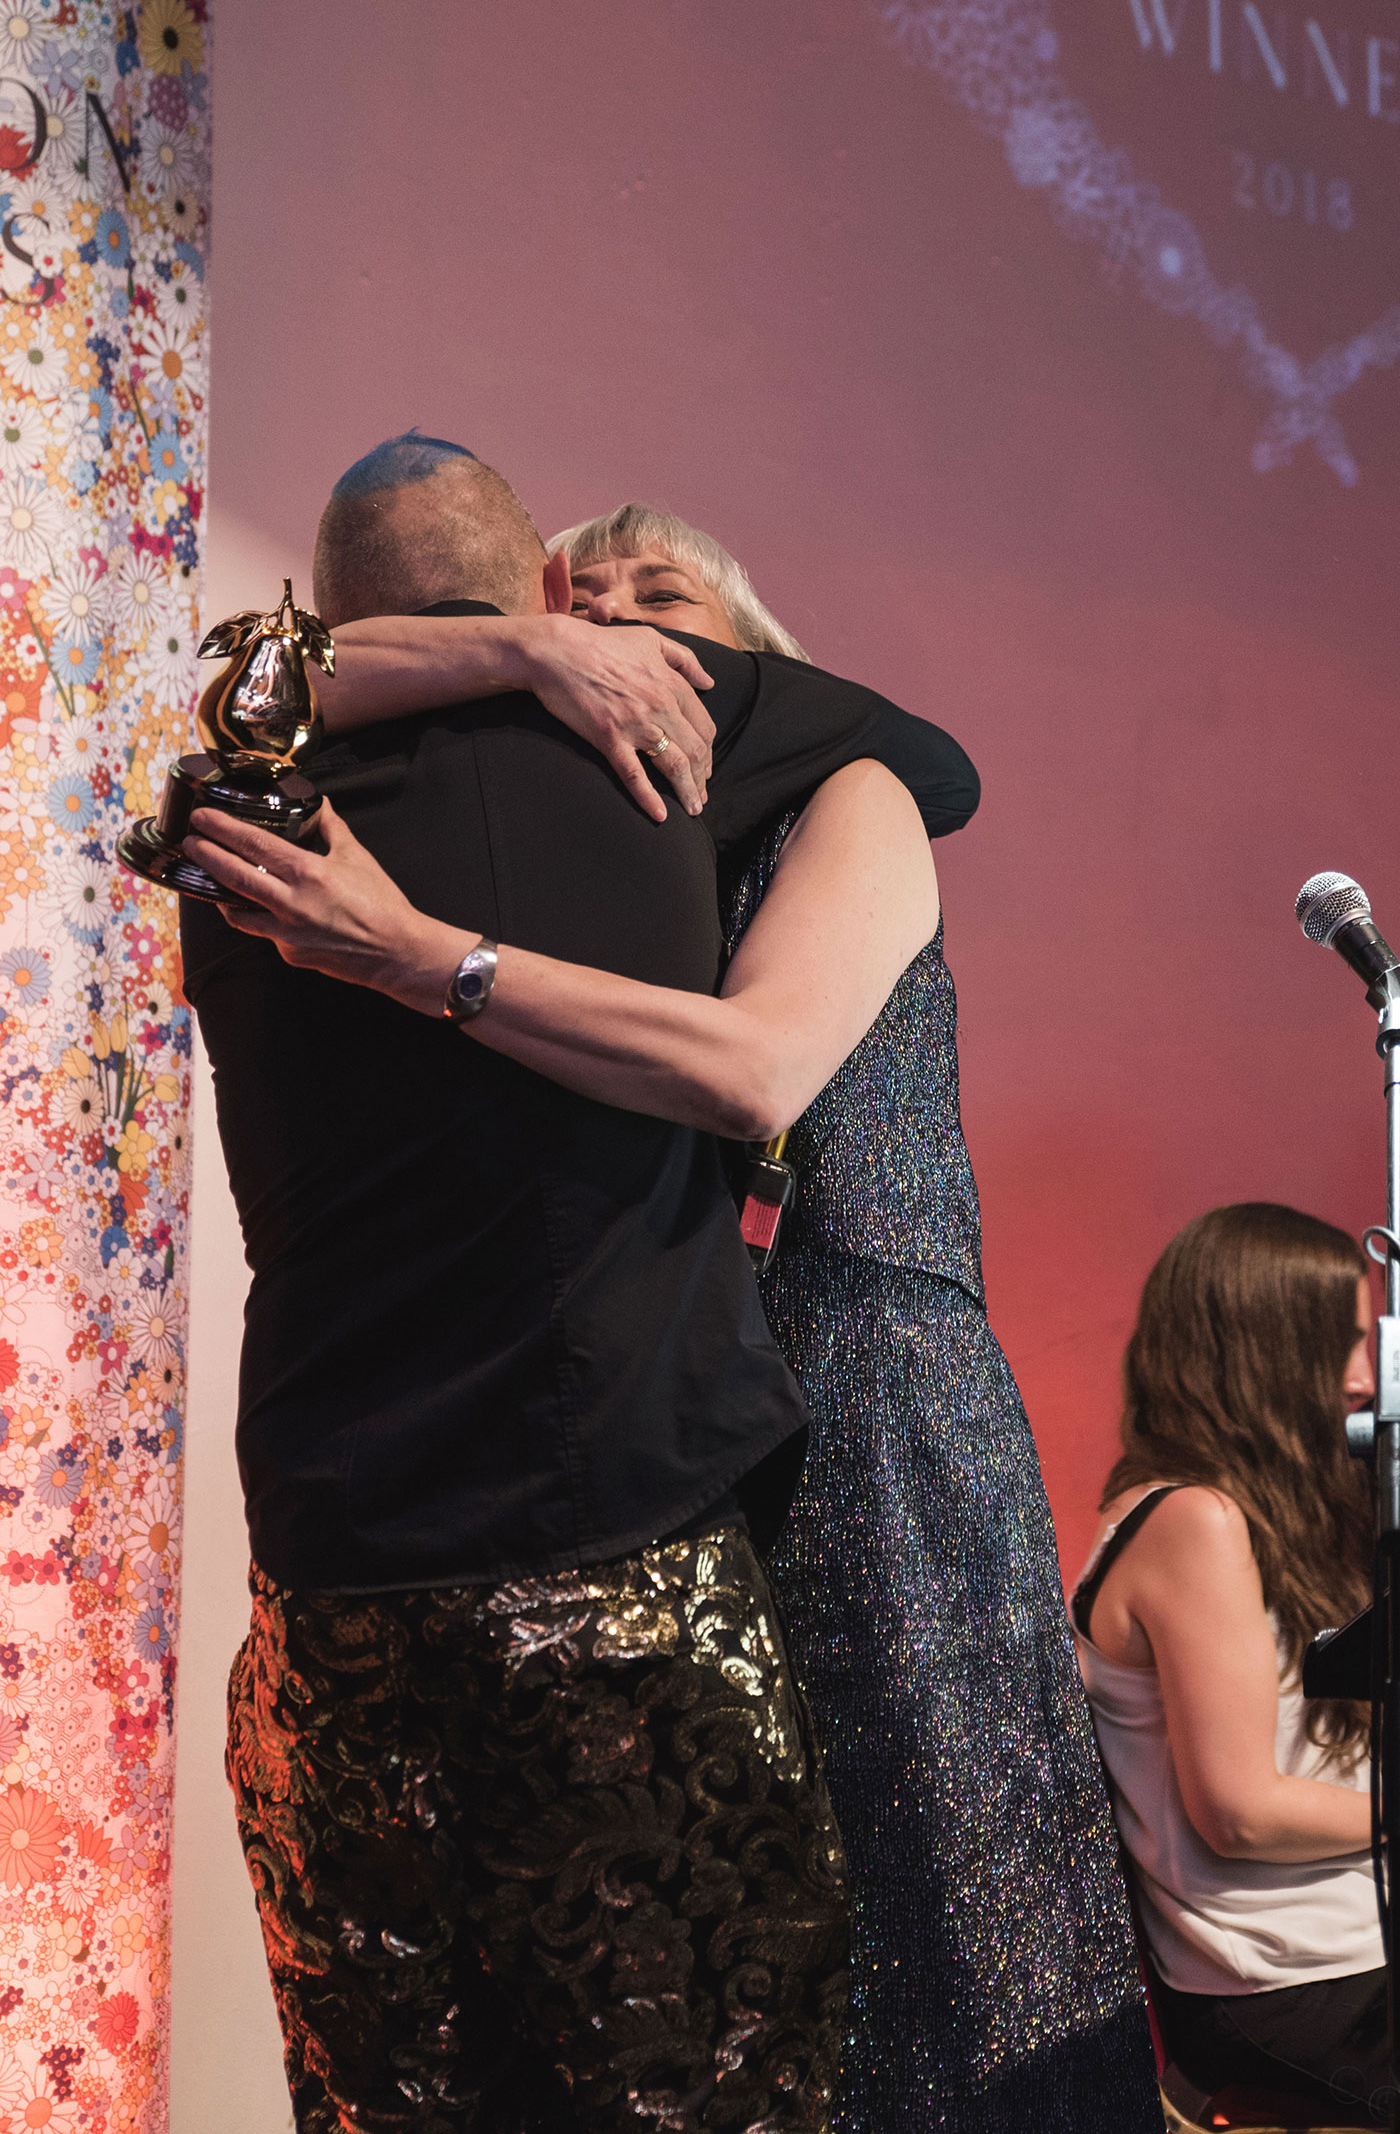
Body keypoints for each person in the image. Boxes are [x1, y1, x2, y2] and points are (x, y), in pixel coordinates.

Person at [190, 498, 1162, 2131]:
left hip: (872, 1403)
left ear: (751, 645)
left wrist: (415, 953)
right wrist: (520, 645)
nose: (618, 616)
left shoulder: (852, 790)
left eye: (664, 591)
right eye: (585, 600)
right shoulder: (624, 821)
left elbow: (756, 1067)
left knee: (935, 1932)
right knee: (726, 1970)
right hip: (692, 1413)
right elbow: (240, 677)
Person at [1072, 1203, 1388, 2124]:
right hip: (1282, 1987)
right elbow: (1240, 1813)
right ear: (1264, 1350)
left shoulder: (1264, 1516)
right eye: (1343, 1343)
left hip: (1349, 1950)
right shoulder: (1194, 1522)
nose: (1366, 1377)